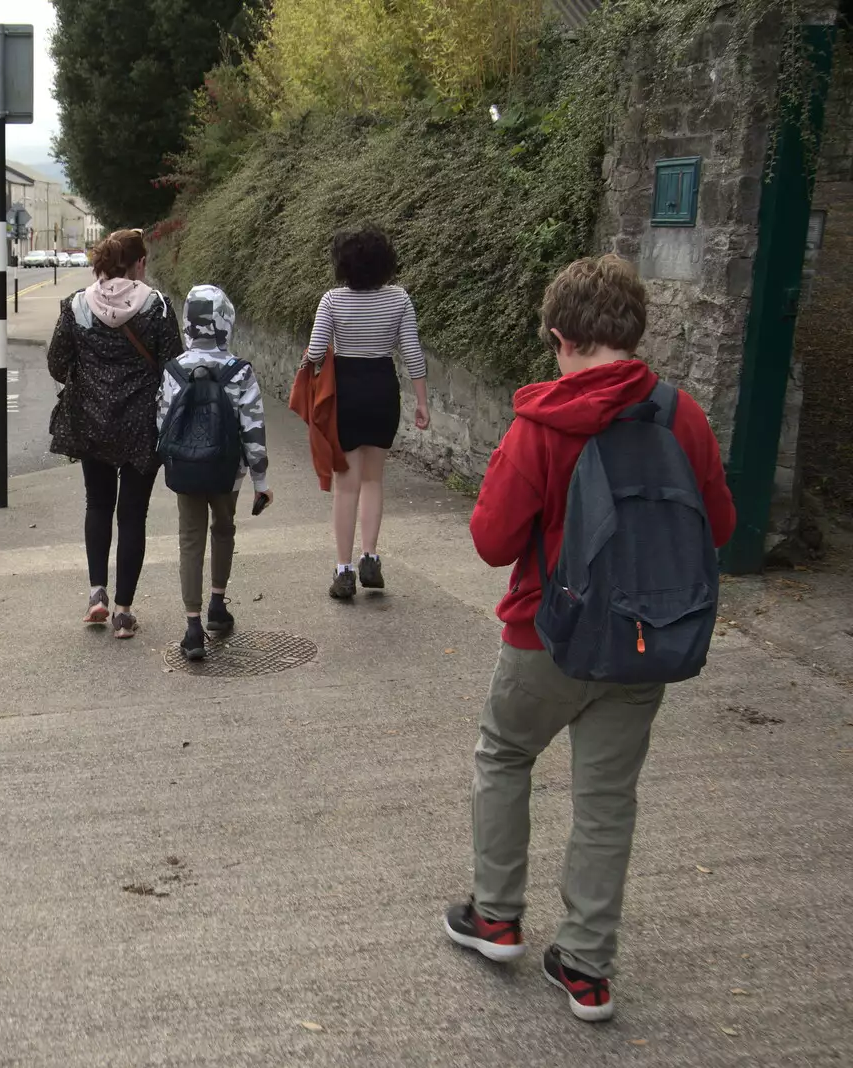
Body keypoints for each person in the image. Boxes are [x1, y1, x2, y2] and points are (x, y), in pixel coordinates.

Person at [443, 255, 736, 1021]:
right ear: (634, 330)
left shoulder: (541, 424)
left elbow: (492, 539)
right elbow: (722, 527)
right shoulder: (682, 416)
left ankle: (497, 917)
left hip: (546, 636)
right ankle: (586, 967)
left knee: (505, 755)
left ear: (559, 336)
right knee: (607, 799)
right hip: (644, 638)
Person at [47, 229, 182, 638]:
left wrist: (88, 378)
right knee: (133, 515)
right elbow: (173, 365)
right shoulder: (156, 307)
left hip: (91, 421)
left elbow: (56, 363)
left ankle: (97, 595)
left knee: (98, 505)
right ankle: (124, 612)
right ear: (139, 263)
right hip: (141, 425)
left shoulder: (76, 306)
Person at [302, 225, 431, 599]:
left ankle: (343, 571)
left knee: (347, 485)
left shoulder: (332, 301)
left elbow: (314, 352)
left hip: (346, 391)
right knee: (374, 479)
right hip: (382, 389)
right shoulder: (399, 300)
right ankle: (370, 558)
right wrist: (421, 402)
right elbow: (412, 352)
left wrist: (309, 366)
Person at [156, 285, 273, 660]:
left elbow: (162, 422)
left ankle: (192, 629)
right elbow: (253, 429)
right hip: (227, 470)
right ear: (226, 323)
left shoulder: (173, 369)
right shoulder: (239, 372)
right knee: (223, 529)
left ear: (188, 323)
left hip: (186, 470)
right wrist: (261, 481)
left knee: (190, 539)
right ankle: (217, 608)